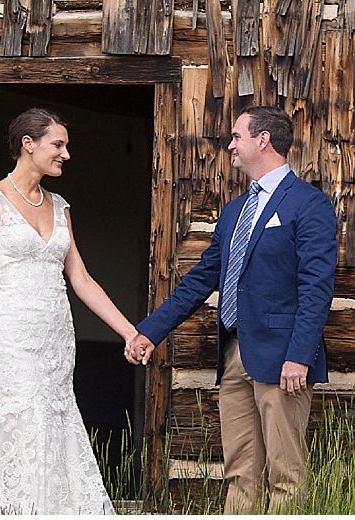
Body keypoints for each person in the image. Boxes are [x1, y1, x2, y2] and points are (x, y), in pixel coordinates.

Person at [0, 108, 139, 514]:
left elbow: (82, 278)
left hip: (57, 335)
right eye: (58, 145)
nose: (65, 154)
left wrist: (128, 331)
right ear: (28, 144)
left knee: (56, 417)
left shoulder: (60, 207)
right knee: (18, 417)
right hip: (14, 334)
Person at [125, 105, 337, 513]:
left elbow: (316, 287)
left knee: (285, 473)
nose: (230, 144)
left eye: (237, 136)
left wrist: (299, 356)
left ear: (263, 140)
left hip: (282, 359)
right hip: (234, 354)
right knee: (240, 470)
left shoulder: (309, 205)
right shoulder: (236, 211)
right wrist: (150, 331)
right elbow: (202, 280)